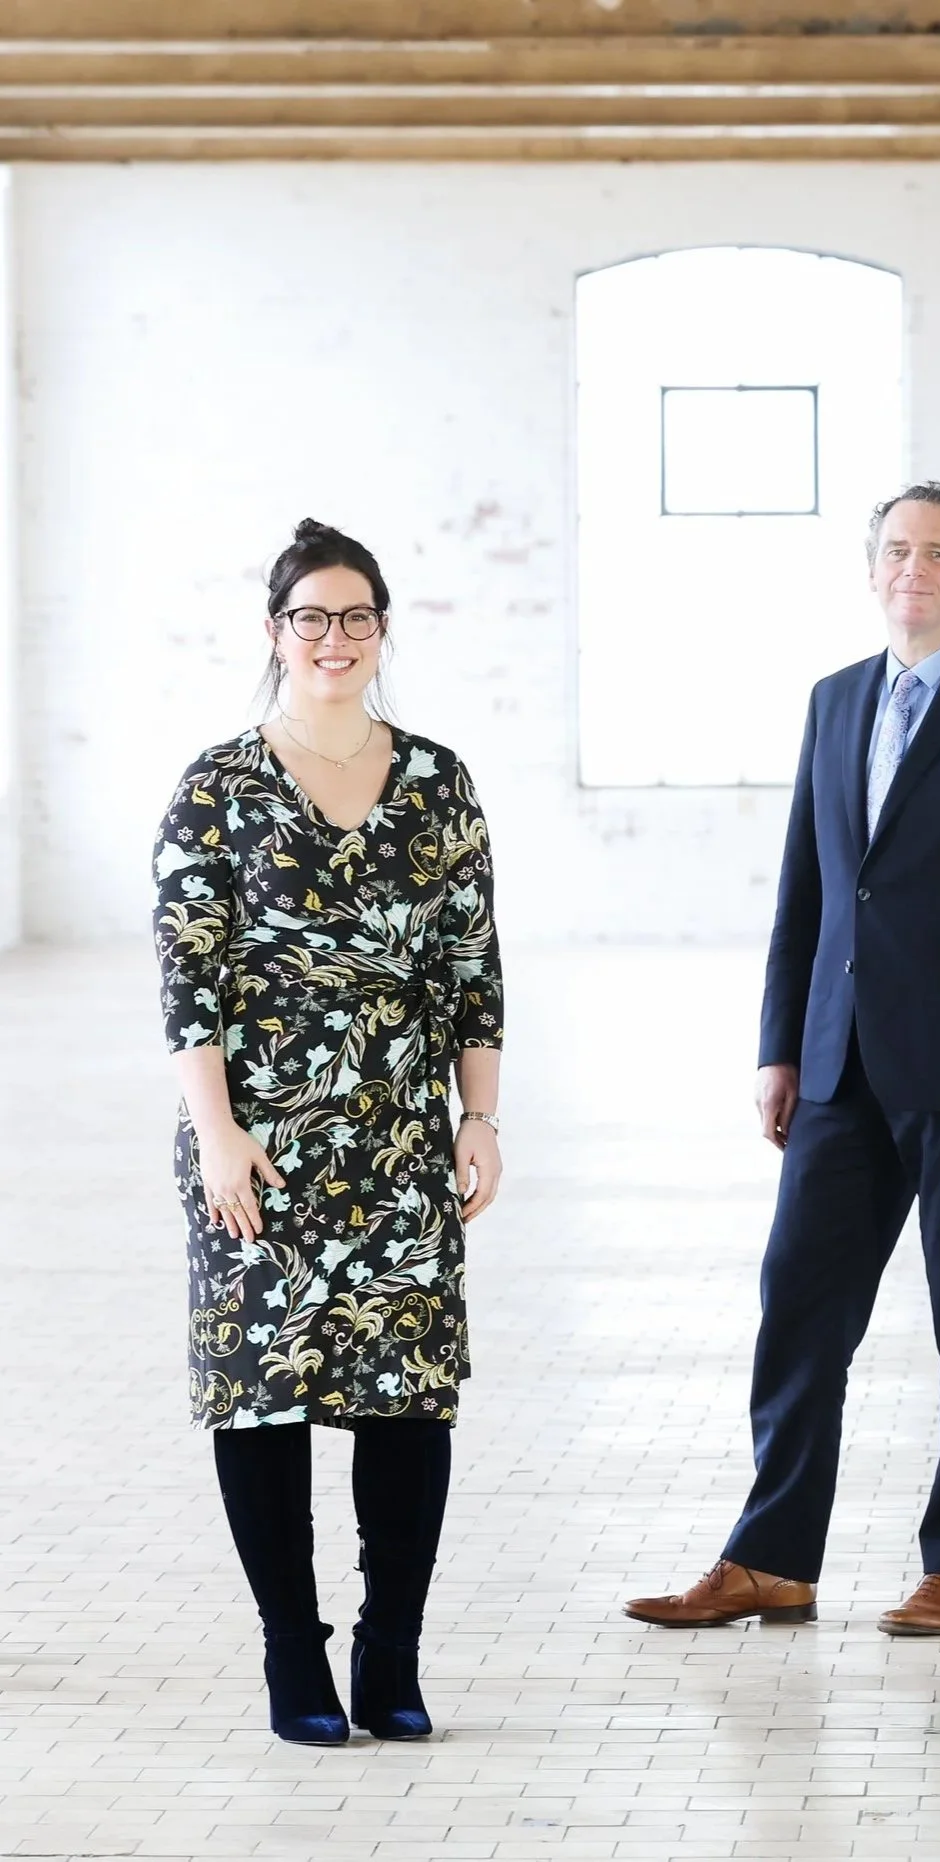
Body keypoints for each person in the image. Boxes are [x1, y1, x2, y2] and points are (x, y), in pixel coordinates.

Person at [625, 482, 940, 1636]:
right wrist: (779, 1045)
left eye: (936, 552)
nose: (912, 569)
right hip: (837, 1067)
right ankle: (771, 1559)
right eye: (894, 550)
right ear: (870, 568)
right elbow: (808, 884)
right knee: (797, 1306)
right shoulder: (835, 699)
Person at [151, 519, 504, 1745]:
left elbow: (470, 966)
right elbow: (187, 980)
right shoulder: (218, 786)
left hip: (399, 1138)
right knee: (263, 1399)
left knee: (408, 1400)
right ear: (276, 630)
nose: (334, 637)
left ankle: (389, 1653)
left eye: (356, 616)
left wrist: (479, 1115)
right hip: (257, 1143)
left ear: (381, 629)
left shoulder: (438, 780)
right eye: (312, 616)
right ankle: (290, 1655)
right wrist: (214, 1133)